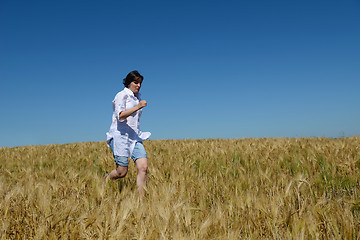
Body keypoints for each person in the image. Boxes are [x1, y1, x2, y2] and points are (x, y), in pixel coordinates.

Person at [104, 70, 151, 198]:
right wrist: (138, 107)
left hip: (135, 137)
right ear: (129, 82)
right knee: (121, 172)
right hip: (120, 136)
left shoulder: (137, 97)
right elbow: (120, 116)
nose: (139, 85)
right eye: (136, 82)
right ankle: (107, 178)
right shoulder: (121, 95)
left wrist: (138, 104)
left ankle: (141, 202)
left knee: (143, 167)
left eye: (140, 83)